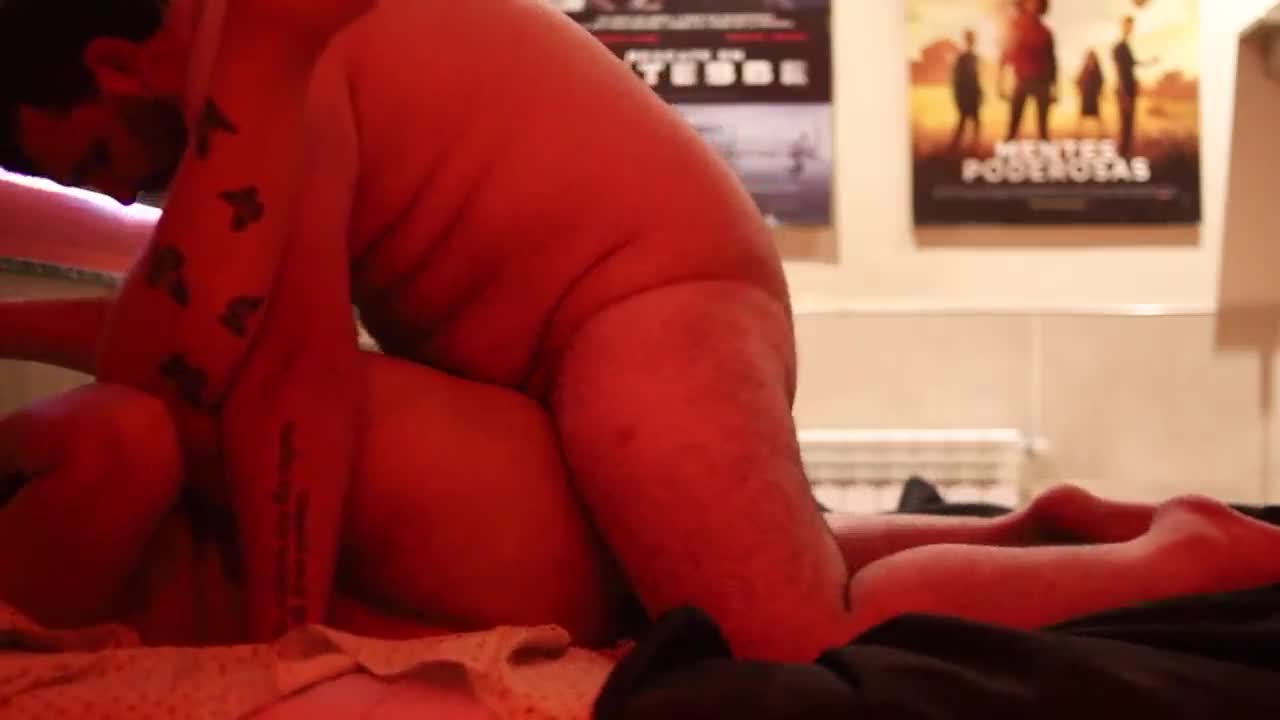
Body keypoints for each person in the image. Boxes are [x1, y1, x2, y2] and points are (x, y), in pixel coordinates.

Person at [5, 0, 1280, 663]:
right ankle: (1045, 526)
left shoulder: (259, 62)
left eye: (101, 164)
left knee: (785, 640)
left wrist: (279, 643)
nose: (130, 191)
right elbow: (223, 336)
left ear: (113, 68)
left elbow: (294, 381)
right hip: (613, 308)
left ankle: (1175, 559)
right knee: (731, 565)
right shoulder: (253, 53)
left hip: (637, 301)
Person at [998, 0, 1057, 141]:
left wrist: (1054, 86)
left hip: (1042, 81)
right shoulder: (1014, 26)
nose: (1032, 4)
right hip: (1022, 79)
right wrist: (1000, 81)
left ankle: (1045, 149)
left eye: (1036, 1)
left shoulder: (1045, 32)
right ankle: (1008, 147)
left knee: (1043, 126)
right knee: (1014, 123)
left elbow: (1052, 61)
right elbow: (1006, 54)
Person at [1113, 15, 1156, 157]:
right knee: (1125, 122)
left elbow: (1133, 63)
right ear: (1122, 26)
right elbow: (1119, 71)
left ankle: (1126, 152)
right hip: (1124, 89)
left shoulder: (1125, 47)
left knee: (1129, 123)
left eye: (1131, 26)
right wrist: (1124, 92)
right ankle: (1123, 152)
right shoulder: (1119, 47)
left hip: (1129, 88)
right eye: (1128, 25)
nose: (1130, 29)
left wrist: (1150, 62)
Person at [949, 29, 983, 152]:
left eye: (973, 39)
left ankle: (973, 144)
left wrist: (979, 91)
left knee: (974, 119)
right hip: (965, 93)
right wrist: (959, 95)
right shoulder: (962, 58)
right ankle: (956, 144)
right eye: (971, 38)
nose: (972, 41)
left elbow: (976, 77)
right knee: (965, 119)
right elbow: (957, 78)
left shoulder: (974, 57)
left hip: (972, 93)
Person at [1075, 49, 1105, 137]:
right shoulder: (1084, 69)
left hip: (1093, 95)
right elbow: (1078, 80)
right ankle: (1079, 133)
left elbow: (1101, 80)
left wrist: (1100, 91)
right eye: (1090, 57)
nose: (1091, 59)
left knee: (1097, 115)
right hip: (1086, 95)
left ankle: (1101, 133)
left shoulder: (1097, 69)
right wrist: (1080, 89)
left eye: (1092, 57)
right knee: (1082, 115)